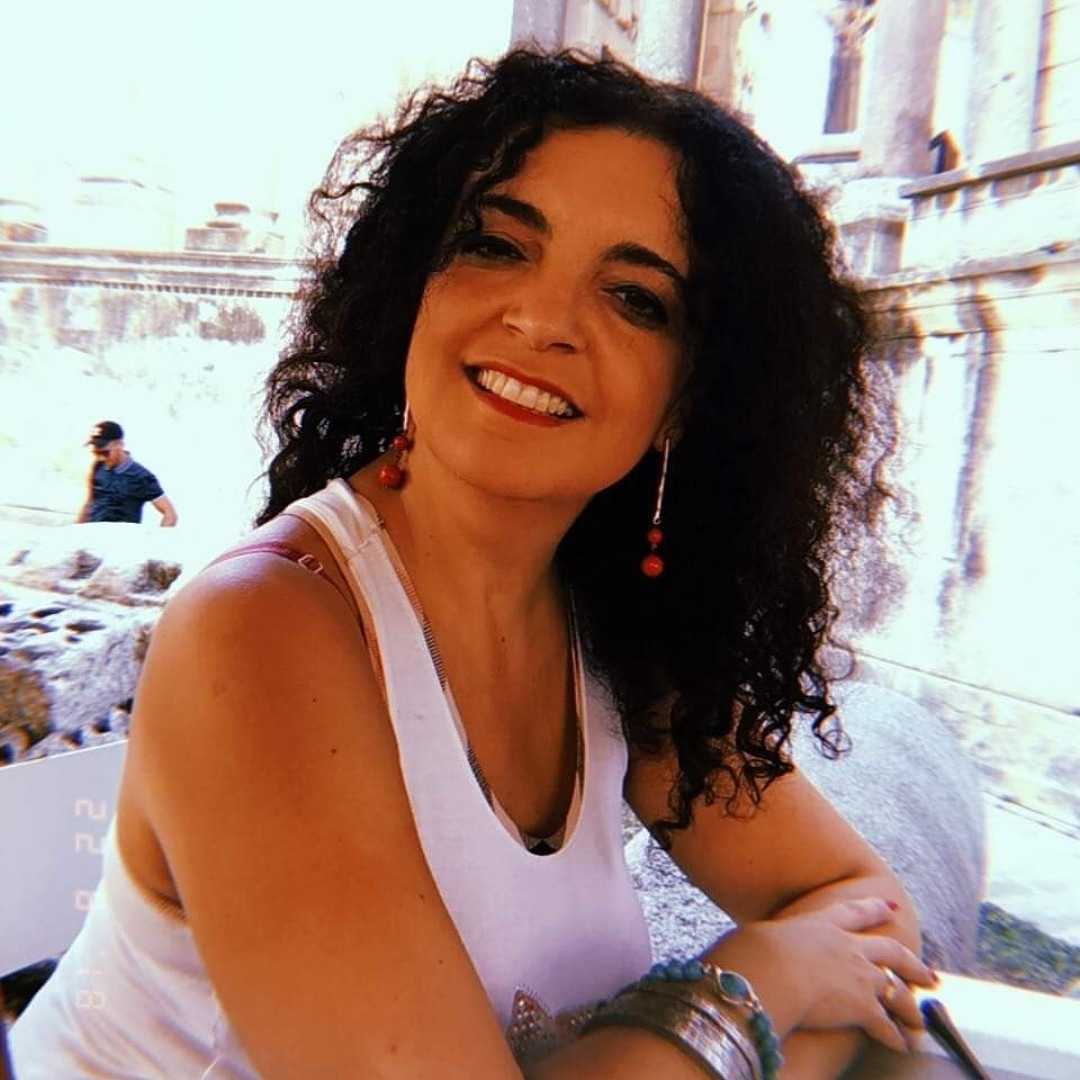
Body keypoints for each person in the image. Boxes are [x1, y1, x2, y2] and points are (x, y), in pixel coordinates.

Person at [11, 49, 936, 1079]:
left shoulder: (617, 635)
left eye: (635, 297)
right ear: (415, 285)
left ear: (690, 399)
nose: (542, 319)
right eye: (496, 245)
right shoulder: (262, 632)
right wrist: (756, 984)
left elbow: (869, 922)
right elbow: (815, 957)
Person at [76, 420, 178, 526]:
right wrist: (76, 530)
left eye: (105, 453)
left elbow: (170, 514)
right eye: (96, 453)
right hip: (91, 532)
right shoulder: (97, 466)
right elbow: (88, 503)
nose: (100, 458)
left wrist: (159, 536)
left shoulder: (141, 476)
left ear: (119, 444)